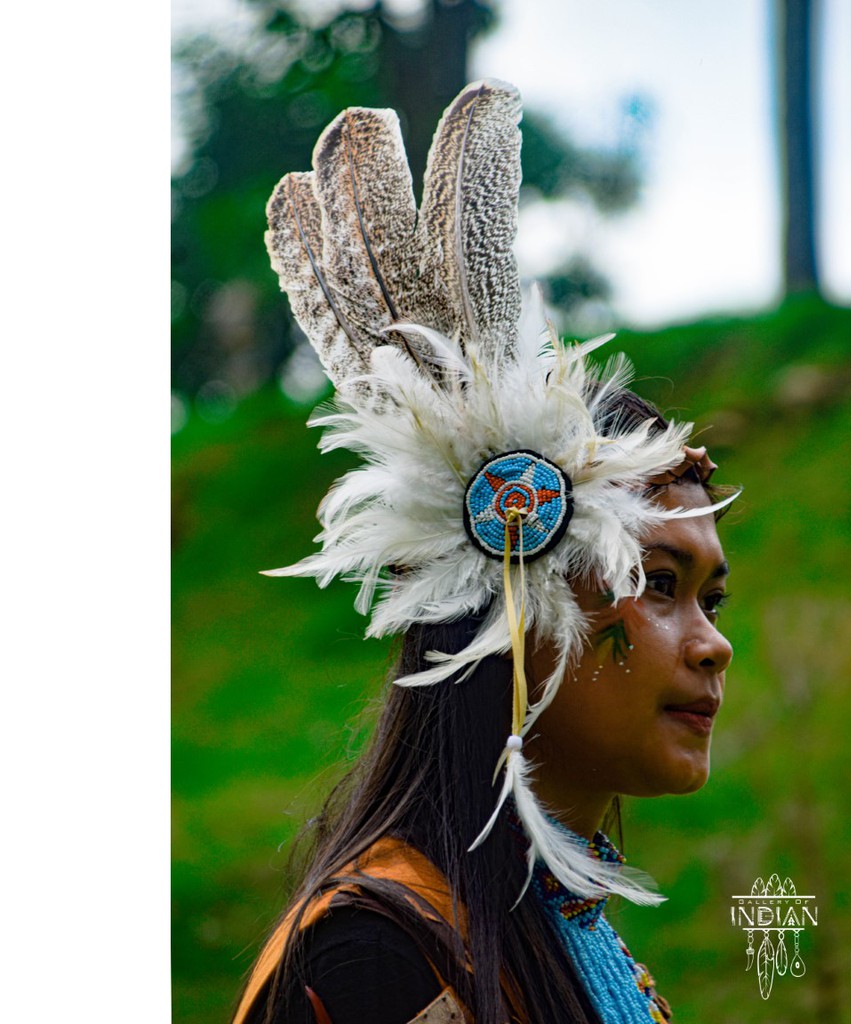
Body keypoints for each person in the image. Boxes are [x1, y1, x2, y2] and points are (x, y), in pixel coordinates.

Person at [232, 80, 739, 1024]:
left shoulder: (550, 919)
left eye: (714, 599)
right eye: (658, 584)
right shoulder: (379, 951)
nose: (712, 645)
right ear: (515, 604)